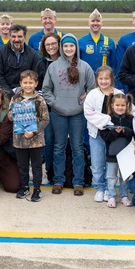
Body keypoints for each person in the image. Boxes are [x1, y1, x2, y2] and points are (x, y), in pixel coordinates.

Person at [42, 34, 96, 195]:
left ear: (76, 47)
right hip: (58, 113)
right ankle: (58, 180)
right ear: (61, 47)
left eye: (71, 46)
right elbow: (46, 90)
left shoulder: (84, 67)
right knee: (58, 147)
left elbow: (92, 88)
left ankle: (78, 182)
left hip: (77, 114)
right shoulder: (53, 67)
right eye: (65, 46)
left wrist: (83, 102)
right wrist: (55, 103)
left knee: (77, 147)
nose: (68, 49)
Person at [10, 69, 50, 202]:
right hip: (19, 139)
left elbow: (45, 119)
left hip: (36, 140)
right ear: (20, 83)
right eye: (25, 82)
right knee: (22, 165)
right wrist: (18, 109)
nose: (28, 85)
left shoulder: (40, 100)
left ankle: (37, 189)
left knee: (37, 165)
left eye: (30, 83)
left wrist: (34, 131)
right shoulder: (15, 99)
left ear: (36, 84)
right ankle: (25, 186)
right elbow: (9, 117)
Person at [98, 92, 135, 208]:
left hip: (126, 154)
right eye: (117, 105)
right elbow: (105, 136)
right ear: (112, 105)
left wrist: (125, 131)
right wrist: (114, 133)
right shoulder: (107, 119)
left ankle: (124, 195)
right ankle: (111, 196)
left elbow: (134, 135)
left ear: (127, 106)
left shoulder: (131, 119)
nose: (120, 108)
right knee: (111, 177)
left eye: (123, 105)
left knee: (124, 176)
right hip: (112, 154)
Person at [0, 23, 46, 93]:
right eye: (13, 36)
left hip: (26, 92)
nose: (16, 39)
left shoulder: (33, 54)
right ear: (10, 37)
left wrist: (25, 93)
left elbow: (36, 75)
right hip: (4, 92)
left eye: (19, 36)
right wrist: (9, 93)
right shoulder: (0, 53)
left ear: (25, 37)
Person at [38, 32, 62, 184]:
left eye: (54, 44)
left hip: (63, 107)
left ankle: (60, 172)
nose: (51, 47)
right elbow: (38, 84)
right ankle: (49, 171)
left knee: (61, 142)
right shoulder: (40, 63)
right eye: (48, 44)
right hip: (45, 108)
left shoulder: (66, 61)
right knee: (48, 140)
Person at [114, 8, 135, 89]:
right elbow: (119, 63)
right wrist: (120, 86)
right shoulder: (124, 39)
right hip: (130, 83)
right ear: (133, 21)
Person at [78, 9, 117, 76]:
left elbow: (113, 65)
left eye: (98, 21)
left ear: (102, 23)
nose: (95, 23)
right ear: (89, 23)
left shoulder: (110, 42)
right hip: (86, 79)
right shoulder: (81, 41)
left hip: (103, 80)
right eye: (93, 21)